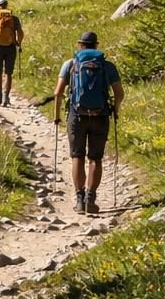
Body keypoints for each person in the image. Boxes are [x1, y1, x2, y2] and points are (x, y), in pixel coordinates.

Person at [53, 30, 125, 215]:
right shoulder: (107, 66)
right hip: (101, 116)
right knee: (95, 158)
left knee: (77, 156)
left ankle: (79, 199)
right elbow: (119, 93)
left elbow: (58, 92)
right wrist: (114, 110)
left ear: (80, 44)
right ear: (96, 45)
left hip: (76, 116)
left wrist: (57, 115)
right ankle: (90, 199)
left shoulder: (70, 64)